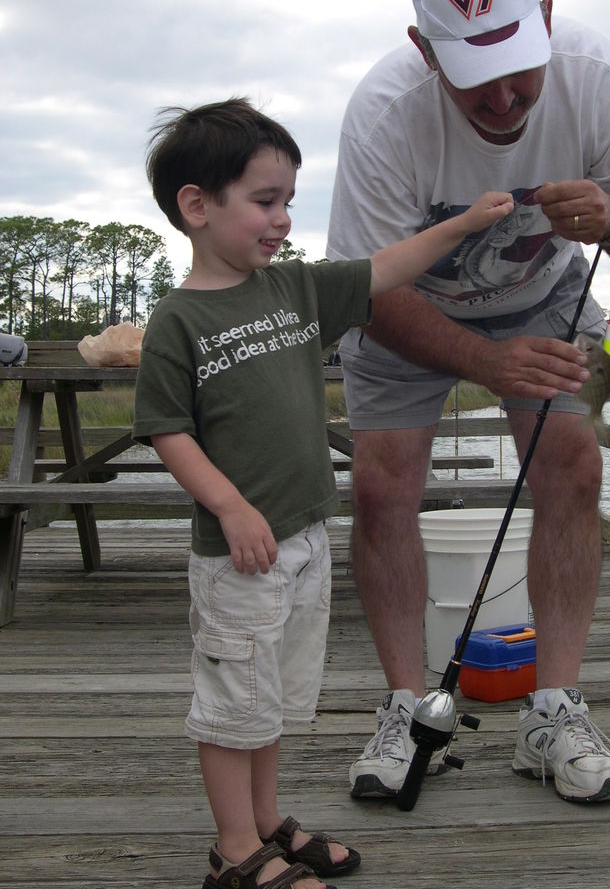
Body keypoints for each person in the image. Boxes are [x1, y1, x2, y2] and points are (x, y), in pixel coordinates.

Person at [326, 0, 610, 803]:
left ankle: (554, 710)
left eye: (520, 63)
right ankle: (408, 710)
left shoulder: (598, 79)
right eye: (474, 75)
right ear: (422, 49)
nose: (504, 96)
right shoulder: (383, 113)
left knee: (572, 464)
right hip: (402, 305)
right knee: (380, 485)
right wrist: (487, 362)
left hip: (542, 294)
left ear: (548, 18)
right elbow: (364, 290)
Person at [132, 96, 515, 889]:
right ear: (197, 207)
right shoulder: (176, 321)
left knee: (268, 697)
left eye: (289, 203)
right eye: (265, 202)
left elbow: (387, 268)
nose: (281, 220)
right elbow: (167, 429)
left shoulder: (296, 290)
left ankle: (267, 820)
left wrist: (465, 223)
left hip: (304, 537)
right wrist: (231, 507)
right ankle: (233, 849)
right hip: (240, 552)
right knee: (230, 698)